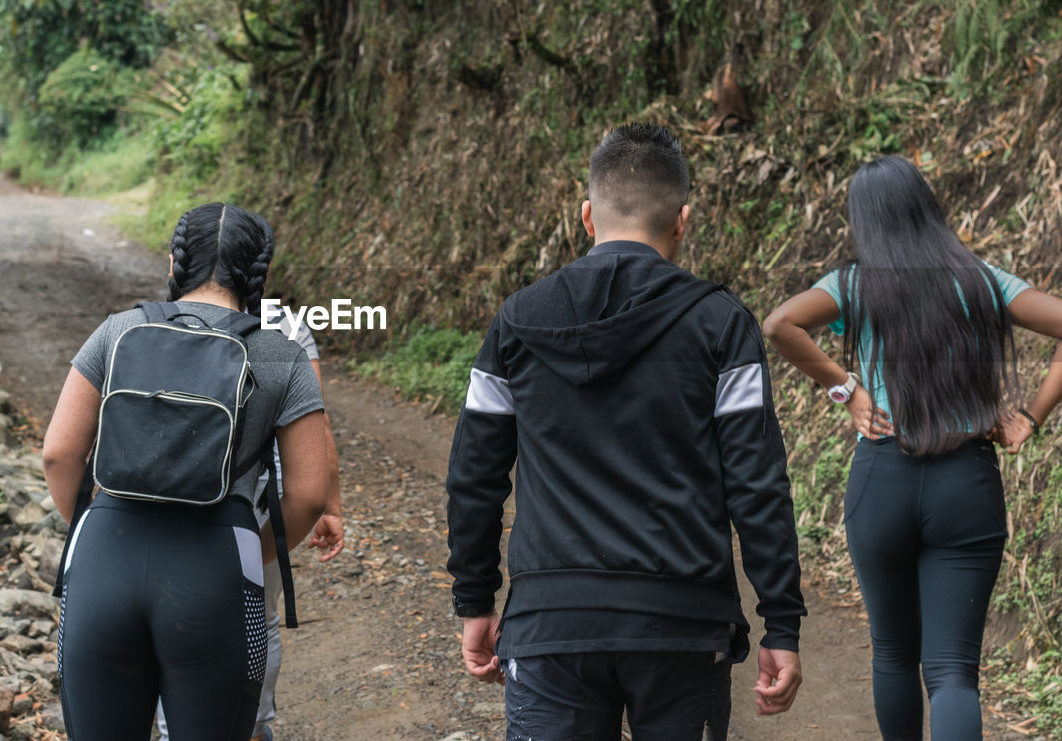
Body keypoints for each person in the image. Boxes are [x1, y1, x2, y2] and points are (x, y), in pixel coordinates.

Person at [446, 122, 807, 740]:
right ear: (683, 220)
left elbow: (474, 475)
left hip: (551, 622)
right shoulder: (721, 324)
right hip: (683, 623)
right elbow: (757, 483)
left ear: (588, 216)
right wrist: (781, 623)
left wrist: (474, 601)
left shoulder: (518, 320)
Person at [763, 155, 1062, 741]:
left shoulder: (853, 284)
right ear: (927, 207)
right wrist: (1030, 415)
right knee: (953, 672)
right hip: (967, 483)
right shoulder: (981, 279)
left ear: (865, 221)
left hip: (882, 479)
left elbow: (778, 325)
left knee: (894, 653)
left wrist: (845, 389)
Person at [42, 203, 331, 741]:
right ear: (259, 274)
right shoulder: (278, 354)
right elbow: (311, 493)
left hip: (105, 559)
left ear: (174, 264)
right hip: (215, 573)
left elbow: (58, 455)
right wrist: (251, 548)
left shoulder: (118, 330)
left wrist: (92, 524)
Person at [155, 301, 345, 741]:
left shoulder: (162, 318)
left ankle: (173, 731)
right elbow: (316, 424)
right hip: (264, 501)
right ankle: (253, 730)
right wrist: (330, 505)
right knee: (259, 614)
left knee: (176, 614)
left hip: (178, 492)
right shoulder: (286, 326)